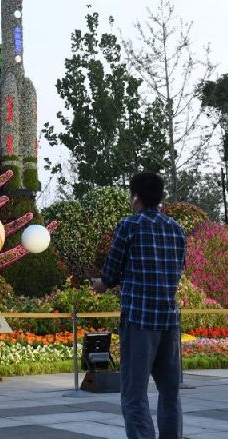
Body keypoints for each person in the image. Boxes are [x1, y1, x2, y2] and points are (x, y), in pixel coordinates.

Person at [91, 172, 186, 439]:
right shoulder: (176, 229)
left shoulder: (129, 226)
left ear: (136, 197)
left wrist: (101, 283)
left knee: (134, 393)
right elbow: (177, 269)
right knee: (170, 393)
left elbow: (110, 272)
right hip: (169, 321)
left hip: (139, 321)